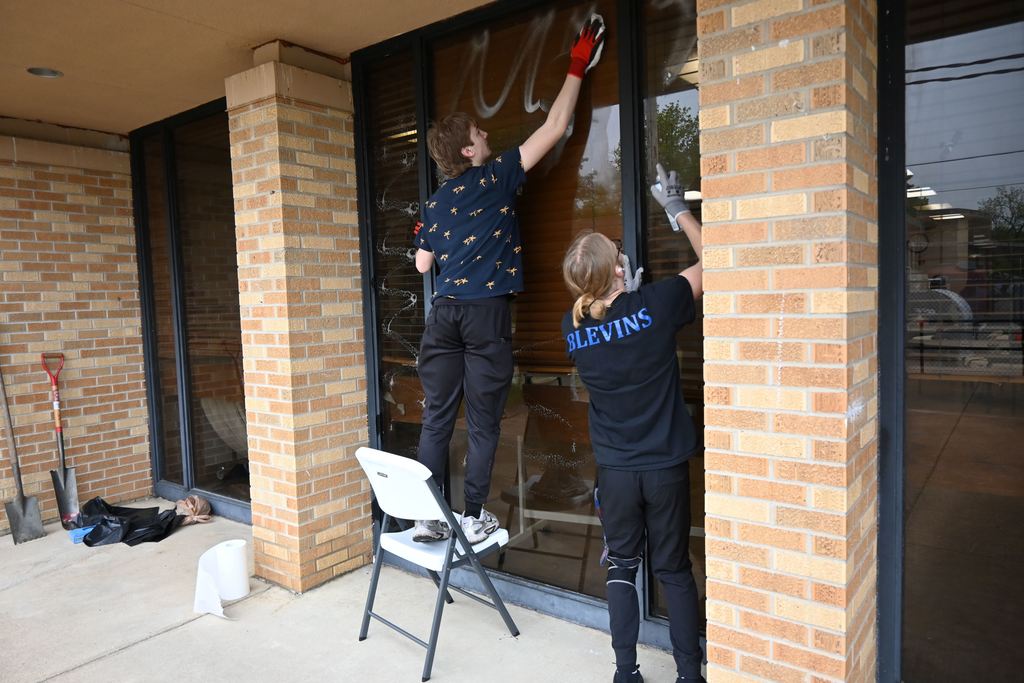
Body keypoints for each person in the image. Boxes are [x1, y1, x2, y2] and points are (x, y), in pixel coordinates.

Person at [411, 15, 607, 544]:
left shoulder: (435, 202)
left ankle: (430, 518)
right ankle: (472, 517)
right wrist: (576, 66)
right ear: (469, 152)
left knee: (436, 420)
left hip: (443, 315)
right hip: (483, 315)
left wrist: (427, 233)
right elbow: (556, 127)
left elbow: (421, 266)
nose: (486, 133)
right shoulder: (495, 178)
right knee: (482, 422)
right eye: (479, 132)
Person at [560, 163, 705, 683]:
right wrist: (677, 209)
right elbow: (716, 261)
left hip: (617, 473)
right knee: (673, 570)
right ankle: (691, 676)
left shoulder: (571, 326)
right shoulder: (659, 304)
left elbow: (608, 325)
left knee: (621, 568)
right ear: (617, 269)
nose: (622, 250)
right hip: (663, 468)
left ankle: (627, 674)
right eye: (615, 249)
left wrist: (626, 301)